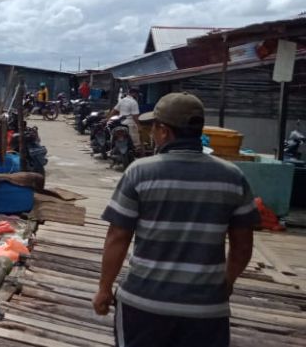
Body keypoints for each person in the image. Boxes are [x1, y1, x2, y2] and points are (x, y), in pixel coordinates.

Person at [92, 92, 258, 347]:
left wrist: (104, 289)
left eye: (154, 127)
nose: (151, 133)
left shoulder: (140, 172)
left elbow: (118, 236)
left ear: (164, 131)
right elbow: (243, 246)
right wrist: (226, 282)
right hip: (206, 310)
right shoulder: (233, 176)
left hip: (145, 304)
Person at [110, 88, 142, 154]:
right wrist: (139, 126)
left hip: (121, 122)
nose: (137, 96)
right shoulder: (134, 102)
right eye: (137, 94)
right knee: (135, 141)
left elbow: (114, 111)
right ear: (134, 94)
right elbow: (135, 116)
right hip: (130, 123)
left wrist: (108, 119)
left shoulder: (122, 100)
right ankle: (136, 151)